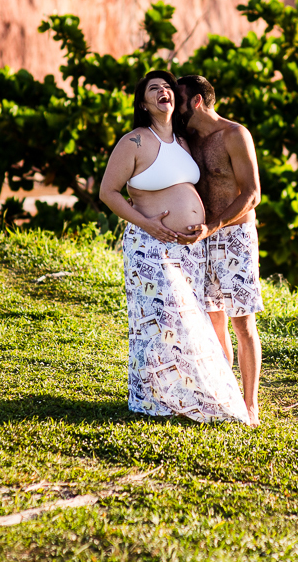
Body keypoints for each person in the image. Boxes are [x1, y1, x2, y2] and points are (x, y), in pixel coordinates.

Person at [98, 70, 252, 424]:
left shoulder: (184, 142)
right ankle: (156, 398)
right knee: (162, 321)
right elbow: (108, 192)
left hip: (190, 252)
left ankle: (188, 394)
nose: (164, 91)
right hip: (151, 246)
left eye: (167, 87)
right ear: (144, 102)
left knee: (185, 324)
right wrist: (146, 223)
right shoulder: (134, 142)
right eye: (154, 88)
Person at [174, 74, 264, 426]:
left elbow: (252, 194)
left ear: (196, 101)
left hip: (235, 237)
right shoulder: (186, 140)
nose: (174, 106)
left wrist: (215, 225)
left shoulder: (235, 135)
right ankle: (223, 396)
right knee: (213, 321)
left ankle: (251, 405)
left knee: (243, 324)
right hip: (201, 241)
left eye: (179, 99)